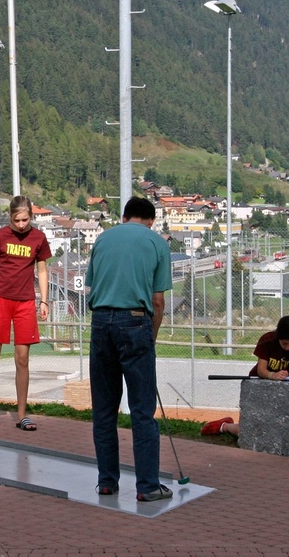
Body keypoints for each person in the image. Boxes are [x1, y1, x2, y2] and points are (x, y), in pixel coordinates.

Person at [86, 197, 173, 502]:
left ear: (124, 217)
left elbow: (91, 286)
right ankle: (147, 485)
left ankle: (107, 481)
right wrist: (152, 336)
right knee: (141, 410)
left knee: (105, 409)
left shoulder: (102, 239)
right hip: (135, 322)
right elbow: (158, 301)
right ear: (150, 220)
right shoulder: (157, 243)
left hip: (100, 322)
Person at [0, 195, 52, 431]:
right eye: (17, 220)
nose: (21, 224)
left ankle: (22, 415)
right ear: (10, 217)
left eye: (25, 220)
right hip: (0, 301)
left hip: (26, 302)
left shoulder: (39, 238)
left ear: (32, 217)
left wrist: (44, 300)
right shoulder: (0, 236)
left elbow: (43, 270)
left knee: (22, 359)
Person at [202, 315, 289, 436]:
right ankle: (224, 426)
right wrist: (273, 375)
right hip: (258, 383)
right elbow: (261, 370)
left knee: (271, 429)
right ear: (278, 336)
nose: (288, 348)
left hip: (279, 387)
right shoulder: (268, 340)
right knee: (253, 432)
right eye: (285, 343)